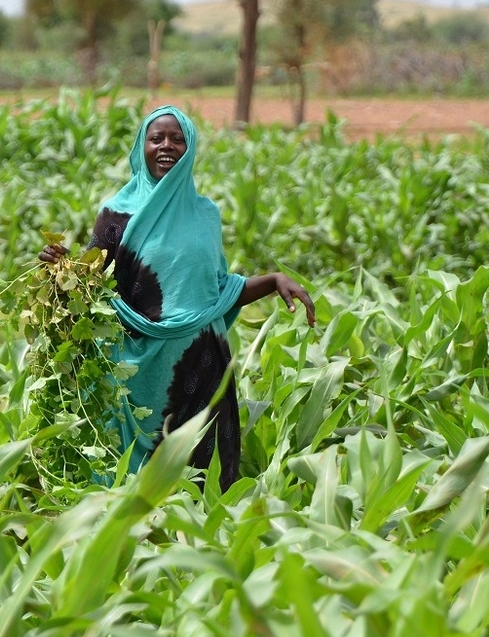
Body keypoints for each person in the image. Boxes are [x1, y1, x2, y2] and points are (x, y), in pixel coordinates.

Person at [39, 105, 315, 491]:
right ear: (142, 147)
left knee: (203, 477)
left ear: (190, 148)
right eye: (156, 138)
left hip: (202, 363)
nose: (166, 146)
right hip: (136, 371)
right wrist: (61, 268)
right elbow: (90, 286)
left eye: (177, 138)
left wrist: (272, 280)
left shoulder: (205, 214)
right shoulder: (117, 214)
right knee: (133, 481)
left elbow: (216, 293)